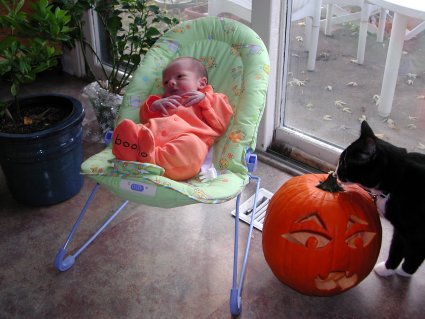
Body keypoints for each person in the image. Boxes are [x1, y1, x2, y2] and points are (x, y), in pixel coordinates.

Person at [112, 56, 234, 181]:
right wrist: (153, 107)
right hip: (152, 138)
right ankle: (129, 151)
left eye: (180, 77)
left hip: (182, 145)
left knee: (192, 146)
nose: (171, 82)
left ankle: (150, 158)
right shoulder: (163, 100)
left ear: (201, 83)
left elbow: (221, 123)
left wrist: (205, 100)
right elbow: (144, 119)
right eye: (166, 82)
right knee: (137, 129)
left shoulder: (212, 99)